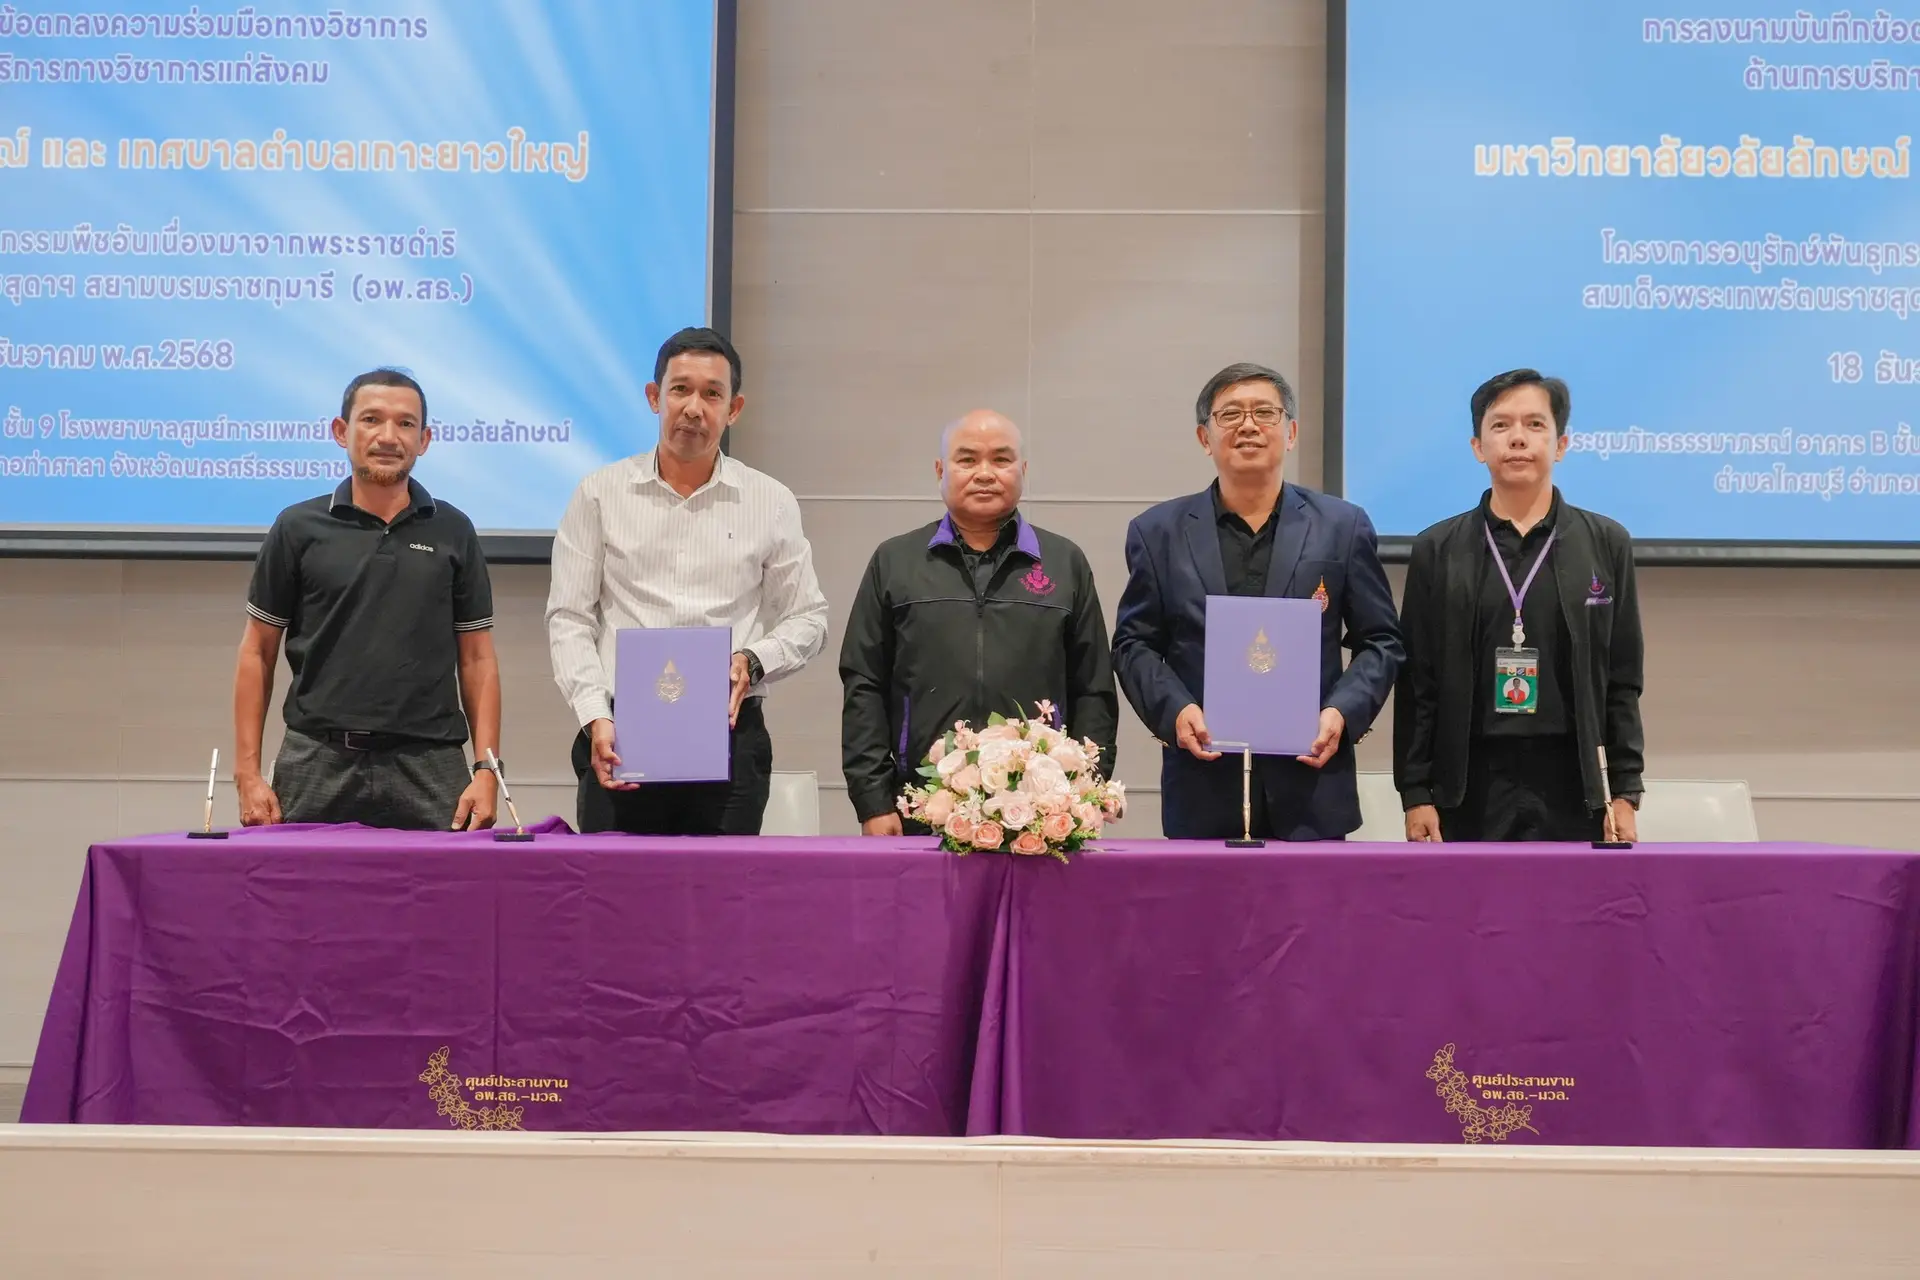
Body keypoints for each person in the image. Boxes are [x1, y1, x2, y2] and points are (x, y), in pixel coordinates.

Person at [546, 327, 827, 835]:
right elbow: (569, 618)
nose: (694, 408)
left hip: (729, 733)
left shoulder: (771, 501)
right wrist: (593, 714)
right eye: (680, 389)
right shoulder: (599, 494)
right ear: (655, 397)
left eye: (712, 394)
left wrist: (753, 660)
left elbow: (809, 617)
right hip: (621, 731)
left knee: (722, 886)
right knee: (617, 884)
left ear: (733, 408)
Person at [1113, 362, 1402, 840]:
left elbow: (1381, 641)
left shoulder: (1342, 526)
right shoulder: (1158, 532)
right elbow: (1133, 644)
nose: (1248, 425)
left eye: (1265, 413)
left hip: (1312, 784)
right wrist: (1176, 710)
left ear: (1291, 433)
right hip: (1204, 782)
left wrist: (1342, 712)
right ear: (1205, 438)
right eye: (1230, 414)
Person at [234, 368, 501, 830]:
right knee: (301, 880)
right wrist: (247, 774)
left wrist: (487, 770)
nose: (388, 436)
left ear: (424, 440)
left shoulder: (454, 530)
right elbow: (257, 651)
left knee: (447, 880)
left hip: (431, 764)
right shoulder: (297, 528)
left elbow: (478, 659)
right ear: (342, 431)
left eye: (405, 423)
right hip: (317, 758)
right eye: (372, 419)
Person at [1394, 368, 1645, 843]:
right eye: (1501, 425)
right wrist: (1416, 793)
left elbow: (1622, 679)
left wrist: (1625, 792)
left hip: (1575, 784)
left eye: (1534, 424)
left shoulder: (1606, 543)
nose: (1517, 438)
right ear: (1477, 446)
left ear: (1561, 444)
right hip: (1468, 785)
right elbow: (1417, 685)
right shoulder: (1437, 548)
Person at [839, 410, 1118, 834]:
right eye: (967, 459)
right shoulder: (896, 562)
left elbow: (1094, 688)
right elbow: (864, 685)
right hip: (921, 803)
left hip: (1042, 811)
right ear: (940, 470)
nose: (984, 473)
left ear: (1023, 470)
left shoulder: (1065, 563)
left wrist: (1084, 792)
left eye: (1001, 460)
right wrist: (873, 801)